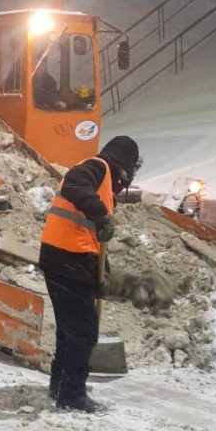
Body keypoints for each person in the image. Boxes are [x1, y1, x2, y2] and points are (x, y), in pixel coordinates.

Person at [39, 135, 141, 413]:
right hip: (68, 259)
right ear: (123, 165)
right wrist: (101, 215)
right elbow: (74, 183)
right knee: (83, 332)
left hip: (62, 257)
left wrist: (101, 274)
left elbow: (93, 239)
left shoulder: (101, 179)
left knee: (69, 330)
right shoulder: (98, 167)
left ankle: (60, 385)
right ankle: (71, 396)